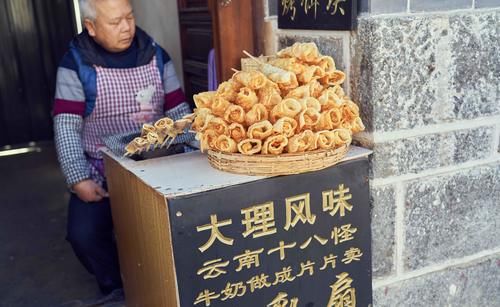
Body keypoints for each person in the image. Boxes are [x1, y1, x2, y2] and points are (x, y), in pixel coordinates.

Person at [53, 0, 193, 297]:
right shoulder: (75, 64)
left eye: (130, 17)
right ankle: (118, 286)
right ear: (90, 27)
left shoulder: (155, 55)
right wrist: (78, 178)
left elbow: (179, 111)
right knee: (84, 235)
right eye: (115, 22)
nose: (127, 27)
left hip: (154, 162)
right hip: (99, 167)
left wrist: (194, 146)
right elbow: (66, 125)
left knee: (175, 227)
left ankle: (164, 285)